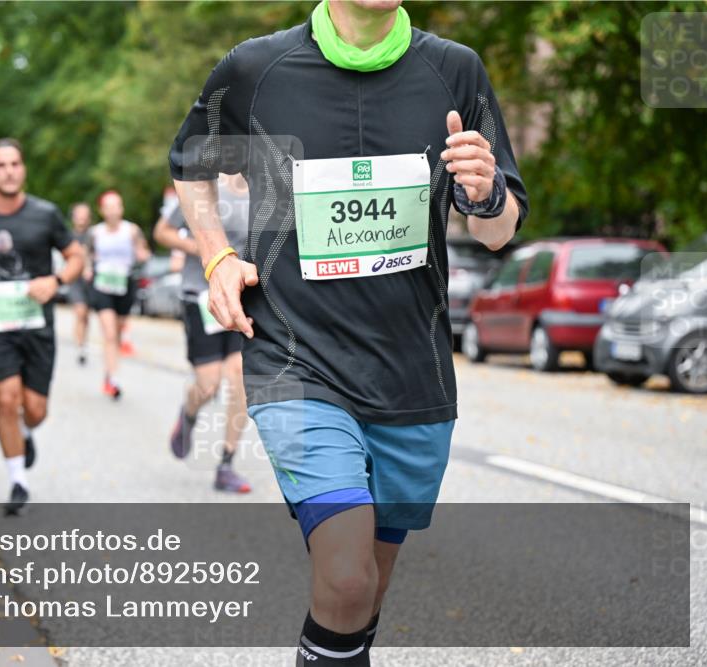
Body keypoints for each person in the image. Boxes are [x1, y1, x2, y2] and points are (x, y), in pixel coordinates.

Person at [170, 1, 528, 663]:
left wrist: (485, 194)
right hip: (296, 362)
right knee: (345, 573)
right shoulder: (256, 68)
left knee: (363, 594)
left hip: (412, 377)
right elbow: (191, 163)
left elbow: (497, 230)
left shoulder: (455, 71)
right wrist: (216, 254)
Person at [0, 138, 84, 515]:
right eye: (1, 165)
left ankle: (27, 433)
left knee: (35, 409)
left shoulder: (45, 214)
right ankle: (17, 481)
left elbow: (76, 256)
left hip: (37, 325)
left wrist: (57, 282)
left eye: (15, 163)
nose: (9, 170)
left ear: (22, 169)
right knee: (6, 399)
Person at [154, 173, 253, 494]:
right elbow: (162, 231)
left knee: (238, 374)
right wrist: (200, 246)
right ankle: (190, 412)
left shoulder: (261, 185)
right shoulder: (201, 184)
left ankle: (226, 463)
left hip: (244, 296)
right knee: (208, 384)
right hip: (200, 292)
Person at [86, 190, 150, 399]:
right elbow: (86, 255)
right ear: (102, 210)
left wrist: (141, 255)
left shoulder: (131, 230)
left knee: (119, 332)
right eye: (109, 206)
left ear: (121, 208)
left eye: (117, 206)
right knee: (109, 333)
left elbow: (144, 253)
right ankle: (114, 379)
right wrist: (87, 268)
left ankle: (109, 372)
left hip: (124, 284)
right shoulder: (95, 233)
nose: (113, 210)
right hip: (102, 285)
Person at [67, 202, 94, 366]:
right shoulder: (68, 236)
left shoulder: (94, 234)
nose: (82, 217)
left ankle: (83, 342)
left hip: (90, 281)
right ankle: (80, 347)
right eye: (79, 214)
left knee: (86, 316)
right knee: (80, 312)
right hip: (75, 280)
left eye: (85, 214)